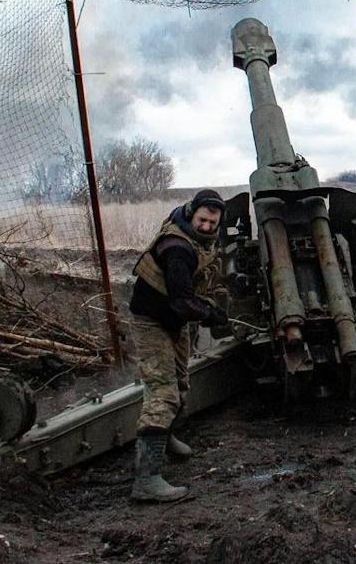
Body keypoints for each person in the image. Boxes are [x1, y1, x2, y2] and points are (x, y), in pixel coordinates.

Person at [128, 188, 229, 502]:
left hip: (173, 320)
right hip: (151, 320)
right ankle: (146, 480)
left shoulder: (200, 240)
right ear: (191, 214)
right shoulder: (177, 248)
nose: (207, 227)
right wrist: (213, 315)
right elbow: (183, 301)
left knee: (181, 384)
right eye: (202, 220)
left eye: (213, 222)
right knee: (163, 392)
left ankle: (166, 437)